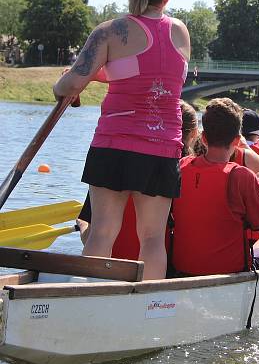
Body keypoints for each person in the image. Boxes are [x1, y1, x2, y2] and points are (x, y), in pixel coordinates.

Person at [54, 0, 189, 280]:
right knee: (153, 237)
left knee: (102, 230)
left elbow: (72, 84)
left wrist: (63, 83)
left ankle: (88, 301)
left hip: (115, 143)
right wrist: (101, 75)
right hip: (162, 148)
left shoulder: (111, 31)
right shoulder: (180, 31)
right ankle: (151, 305)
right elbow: (151, 73)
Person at [170, 98, 259, 285]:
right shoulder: (243, 176)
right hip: (230, 277)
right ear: (237, 141)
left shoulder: (180, 167)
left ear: (204, 138)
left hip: (182, 271)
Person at [76, 101, 199, 261]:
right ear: (194, 133)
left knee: (100, 234)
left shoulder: (110, 179)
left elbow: (89, 238)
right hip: (161, 266)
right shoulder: (180, 174)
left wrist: (82, 224)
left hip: (111, 266)